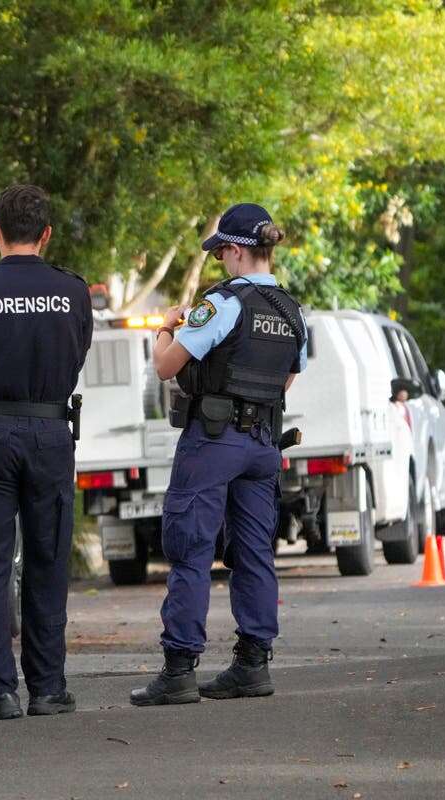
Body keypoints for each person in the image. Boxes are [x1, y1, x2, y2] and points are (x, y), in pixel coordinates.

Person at [131, 203, 307, 707]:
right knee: (254, 551)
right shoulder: (293, 313)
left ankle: (179, 669)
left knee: (189, 548)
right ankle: (253, 664)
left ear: (234, 250)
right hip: (263, 446)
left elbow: (167, 367)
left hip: (214, 440)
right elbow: (284, 383)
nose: (220, 264)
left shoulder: (222, 304)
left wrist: (165, 327)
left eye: (221, 254)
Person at [0, 185, 93, 721]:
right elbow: (76, 356)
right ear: (47, 234)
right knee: (48, 559)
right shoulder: (72, 292)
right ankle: (48, 688)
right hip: (51, 433)